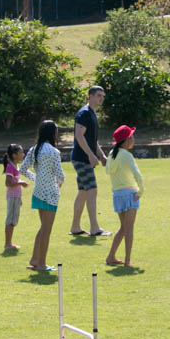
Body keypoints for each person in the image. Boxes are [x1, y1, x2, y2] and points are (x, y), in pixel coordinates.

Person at [19, 120, 65, 271]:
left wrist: (36, 179)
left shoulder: (34, 149)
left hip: (38, 193)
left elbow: (23, 170)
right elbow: (61, 176)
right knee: (46, 230)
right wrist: (58, 183)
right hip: (50, 194)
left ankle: (34, 259)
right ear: (53, 133)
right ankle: (41, 264)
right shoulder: (54, 152)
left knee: (43, 228)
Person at [69, 86, 111, 237]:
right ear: (90, 96)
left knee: (83, 192)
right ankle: (95, 228)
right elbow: (79, 136)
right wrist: (90, 155)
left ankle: (75, 227)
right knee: (92, 190)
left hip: (84, 158)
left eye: (102, 96)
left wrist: (101, 155)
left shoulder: (91, 113)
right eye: (98, 95)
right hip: (82, 159)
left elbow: (92, 139)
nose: (101, 98)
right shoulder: (84, 113)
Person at [104, 125, 144, 267]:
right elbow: (138, 175)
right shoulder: (127, 155)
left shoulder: (111, 154)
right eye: (132, 137)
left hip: (117, 195)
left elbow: (108, 171)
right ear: (127, 140)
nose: (133, 139)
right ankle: (127, 260)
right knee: (128, 229)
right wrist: (140, 192)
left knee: (123, 228)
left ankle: (111, 257)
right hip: (129, 194)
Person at [2, 143, 29, 251]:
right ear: (14, 155)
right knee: (10, 220)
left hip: (15, 198)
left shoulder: (15, 166)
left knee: (13, 220)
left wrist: (19, 198)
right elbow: (8, 183)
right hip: (12, 197)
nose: (23, 154)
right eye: (21, 152)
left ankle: (9, 243)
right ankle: (7, 244)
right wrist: (21, 183)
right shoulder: (10, 167)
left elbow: (14, 182)